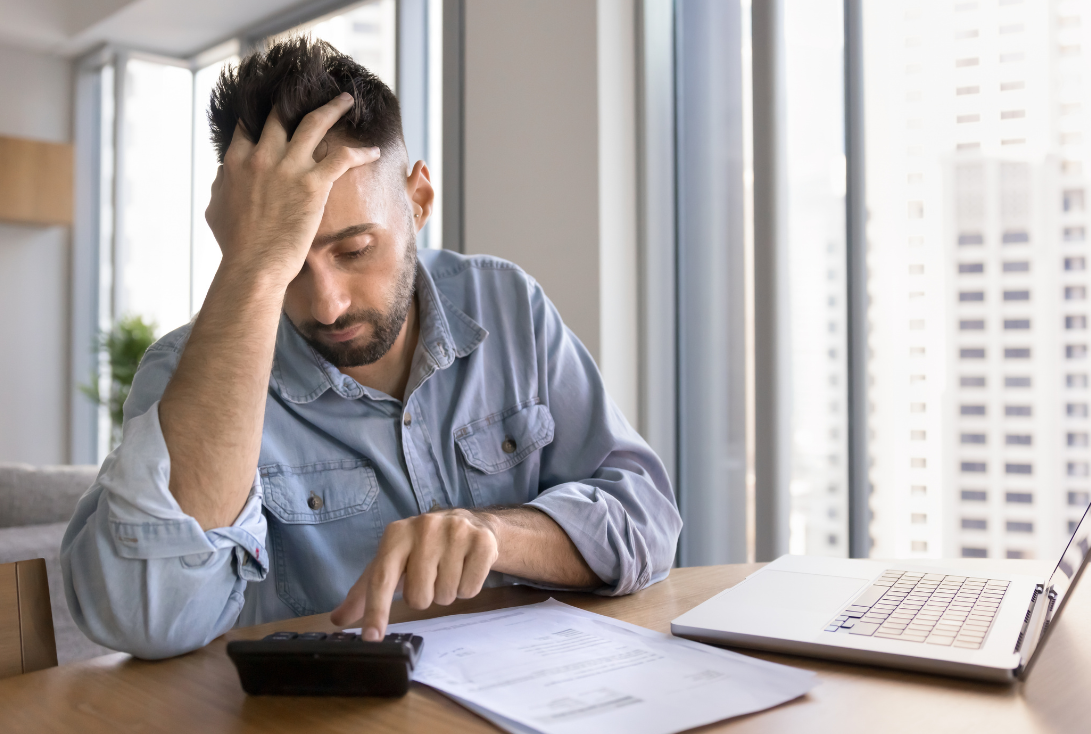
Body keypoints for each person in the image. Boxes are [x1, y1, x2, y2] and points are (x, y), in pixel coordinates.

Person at [61, 37, 681, 660]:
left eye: (354, 251)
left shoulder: (506, 304)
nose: (327, 303)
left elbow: (648, 517)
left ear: (418, 202)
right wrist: (252, 271)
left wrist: (494, 534)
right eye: (289, 265)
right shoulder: (183, 373)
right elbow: (146, 618)